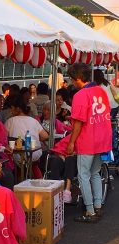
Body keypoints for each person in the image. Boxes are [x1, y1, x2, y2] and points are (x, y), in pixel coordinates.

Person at [67, 63, 112, 222]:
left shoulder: (80, 95)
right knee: (95, 173)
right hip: (103, 139)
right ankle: (98, 207)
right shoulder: (101, 91)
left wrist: (71, 142)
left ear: (78, 78)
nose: (71, 82)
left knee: (83, 175)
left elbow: (78, 123)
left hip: (88, 140)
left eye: (72, 79)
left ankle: (90, 211)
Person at [5, 97, 49, 179]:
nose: (11, 111)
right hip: (34, 154)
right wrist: (36, 138)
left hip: (16, 155)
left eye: (12, 108)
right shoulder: (33, 120)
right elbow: (45, 136)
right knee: (33, 164)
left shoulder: (10, 121)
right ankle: (40, 184)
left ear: (17, 109)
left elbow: (4, 137)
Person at [48, 134, 77, 203]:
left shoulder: (85, 138)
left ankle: (67, 190)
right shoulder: (71, 137)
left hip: (76, 164)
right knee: (56, 161)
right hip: (64, 161)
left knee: (70, 159)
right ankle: (55, 189)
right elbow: (59, 148)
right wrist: (61, 155)